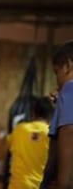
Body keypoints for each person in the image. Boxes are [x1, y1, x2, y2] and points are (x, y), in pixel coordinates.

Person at [40, 40, 73, 189]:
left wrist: (62, 185)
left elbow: (69, 130)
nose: (57, 81)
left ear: (68, 66)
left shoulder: (70, 89)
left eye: (56, 72)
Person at [7, 97, 53, 189]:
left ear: (33, 112)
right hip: (39, 186)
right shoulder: (51, 133)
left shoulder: (20, 129)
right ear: (51, 115)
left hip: (17, 185)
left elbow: (7, 146)